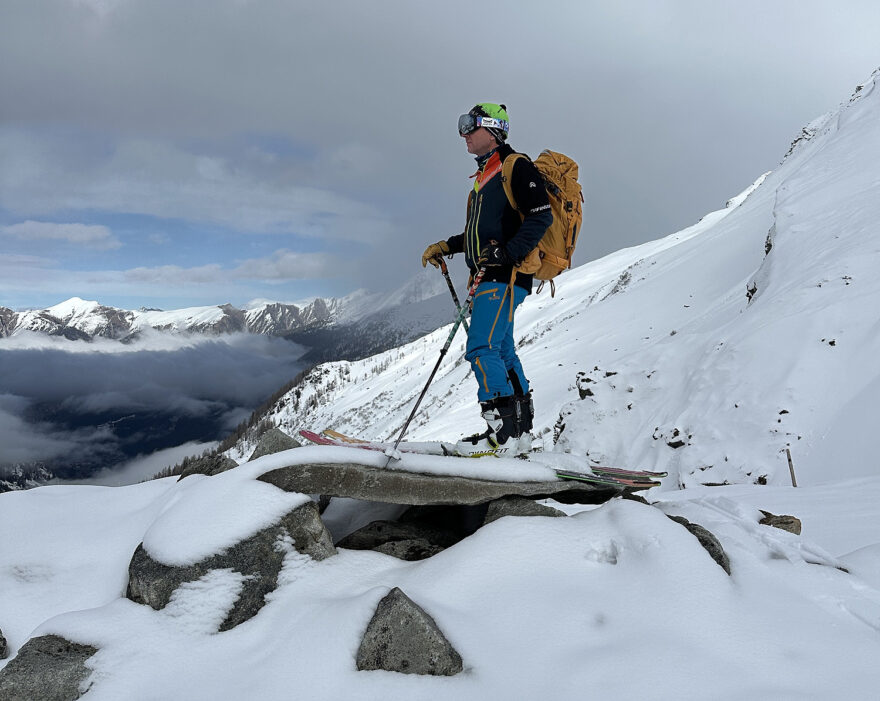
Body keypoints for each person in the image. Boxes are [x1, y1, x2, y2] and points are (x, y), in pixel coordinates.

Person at [421, 103, 552, 456]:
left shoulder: (515, 166)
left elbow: (542, 216)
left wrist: (508, 254)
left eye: (470, 126)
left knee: (481, 347)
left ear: (492, 130)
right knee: (502, 350)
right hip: (495, 274)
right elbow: (480, 234)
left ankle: (503, 434)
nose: (463, 133)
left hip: (503, 276)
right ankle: (520, 433)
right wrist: (446, 246)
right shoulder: (484, 178)